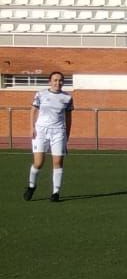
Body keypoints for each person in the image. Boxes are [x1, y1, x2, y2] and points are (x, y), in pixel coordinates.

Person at [25, 70, 73, 202]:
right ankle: (31, 186)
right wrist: (32, 128)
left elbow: (68, 117)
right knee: (38, 163)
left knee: (57, 162)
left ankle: (55, 192)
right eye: (55, 80)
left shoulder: (67, 97)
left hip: (58, 132)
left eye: (60, 80)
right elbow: (33, 110)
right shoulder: (41, 94)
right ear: (50, 82)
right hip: (41, 131)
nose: (58, 83)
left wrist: (67, 133)